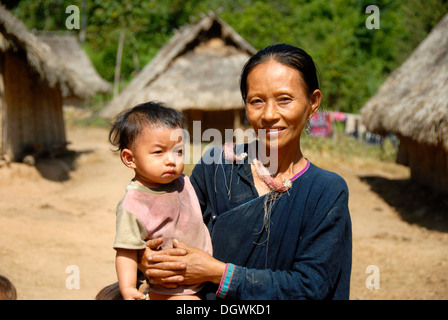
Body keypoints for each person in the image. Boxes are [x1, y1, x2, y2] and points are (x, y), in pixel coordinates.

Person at [138, 44, 353, 300]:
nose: (270, 115)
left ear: (313, 103)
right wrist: (145, 258)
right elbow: (166, 227)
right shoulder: (216, 166)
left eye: (285, 99)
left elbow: (311, 286)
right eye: (256, 101)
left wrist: (218, 273)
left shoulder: (325, 192)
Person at [109, 102, 213, 300]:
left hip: (203, 278)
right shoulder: (134, 203)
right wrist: (129, 287)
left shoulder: (183, 182)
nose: (171, 160)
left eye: (178, 151)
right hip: (172, 288)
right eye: (158, 152)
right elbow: (126, 250)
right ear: (130, 159)